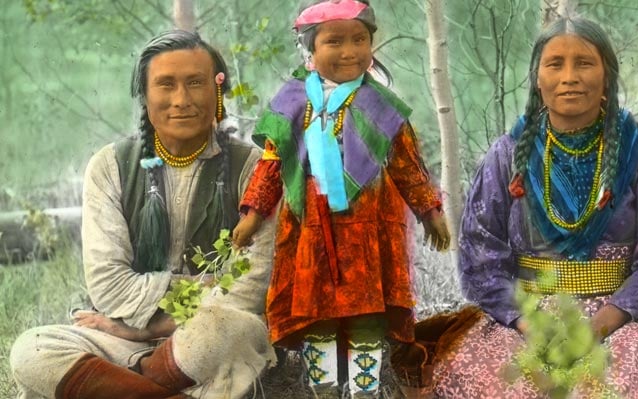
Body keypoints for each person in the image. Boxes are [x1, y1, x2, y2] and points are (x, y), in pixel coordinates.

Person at [431, 17, 638, 398]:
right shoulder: (508, 155)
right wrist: (534, 327)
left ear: (607, 75)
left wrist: (597, 328)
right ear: (536, 78)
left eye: (585, 63)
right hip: (527, 322)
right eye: (555, 64)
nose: (570, 76)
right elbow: (482, 258)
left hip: (618, 320)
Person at [9, 30, 277, 399]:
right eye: (166, 84)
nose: (181, 100)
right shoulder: (110, 166)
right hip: (115, 339)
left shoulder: (255, 169)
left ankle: (119, 388)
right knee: (33, 349)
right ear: (145, 96)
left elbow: (251, 285)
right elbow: (110, 286)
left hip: (202, 340)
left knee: (230, 328)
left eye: (196, 83)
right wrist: (205, 284)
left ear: (218, 91)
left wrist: (148, 329)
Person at [230, 0, 451, 397]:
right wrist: (252, 213)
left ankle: (364, 390)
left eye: (359, 40)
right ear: (310, 49)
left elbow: (406, 164)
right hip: (309, 228)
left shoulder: (380, 106)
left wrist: (429, 209)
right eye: (335, 41)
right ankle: (325, 390)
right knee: (319, 313)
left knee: (366, 310)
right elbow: (272, 163)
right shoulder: (292, 102)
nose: (349, 51)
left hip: (368, 229)